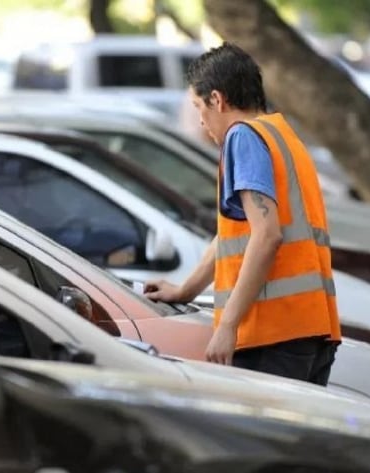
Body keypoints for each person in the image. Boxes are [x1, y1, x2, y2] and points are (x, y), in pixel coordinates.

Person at [144, 42, 341, 385]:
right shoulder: (282, 134)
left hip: (272, 337)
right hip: (311, 330)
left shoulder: (242, 137)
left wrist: (228, 325)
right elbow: (238, 234)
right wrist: (186, 290)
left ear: (217, 100)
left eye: (198, 107)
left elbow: (266, 235)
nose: (201, 121)